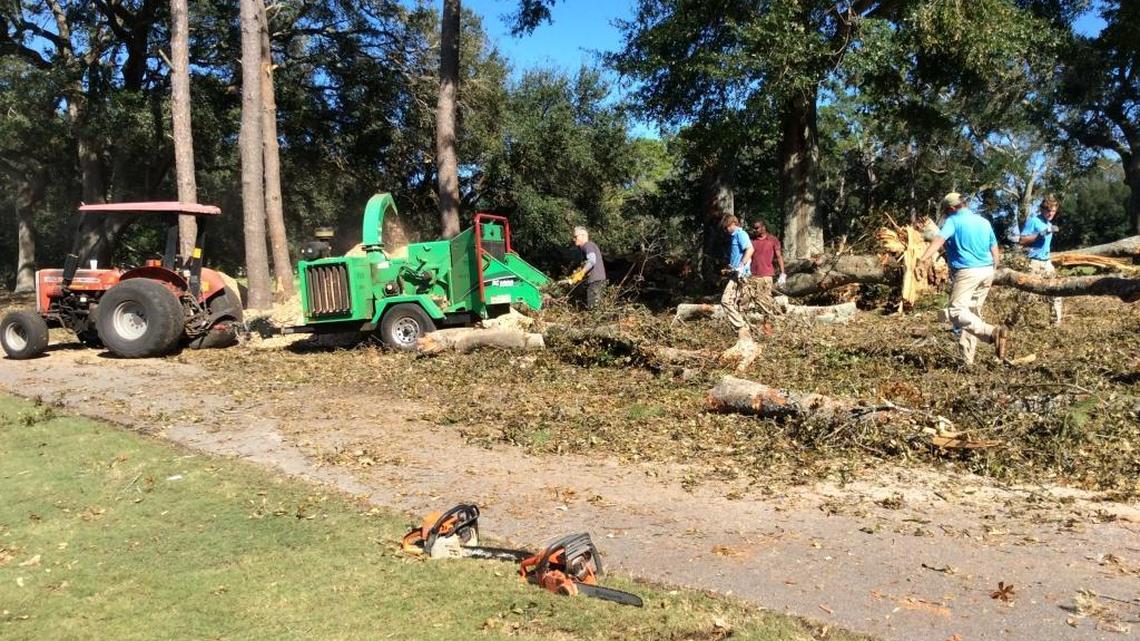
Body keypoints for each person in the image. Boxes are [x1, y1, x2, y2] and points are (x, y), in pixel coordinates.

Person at [918, 192, 1011, 365]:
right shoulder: (983, 221)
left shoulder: (953, 221)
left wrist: (922, 259)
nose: (945, 214)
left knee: (955, 311)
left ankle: (992, 332)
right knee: (971, 313)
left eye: (946, 210)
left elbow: (938, 240)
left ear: (952, 208)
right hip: (986, 271)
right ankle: (967, 360)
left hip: (967, 272)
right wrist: (993, 268)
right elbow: (994, 247)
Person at [1018, 194, 1063, 326]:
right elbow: (1022, 240)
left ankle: (1056, 322)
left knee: (1056, 290)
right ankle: (1020, 321)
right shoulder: (1033, 221)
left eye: (1053, 211)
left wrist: (1049, 230)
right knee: (1029, 292)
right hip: (1034, 261)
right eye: (1048, 210)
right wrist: (1040, 234)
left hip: (1046, 261)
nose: (1051, 213)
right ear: (1042, 209)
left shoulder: (1048, 223)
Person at [720, 215, 754, 340]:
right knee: (737, 303)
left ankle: (741, 327)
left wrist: (742, 265)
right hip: (735, 272)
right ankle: (743, 333)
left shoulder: (741, 234)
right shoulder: (734, 236)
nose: (727, 230)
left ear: (733, 224)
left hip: (740, 274)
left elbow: (750, 249)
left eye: (728, 227)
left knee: (726, 300)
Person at [560, 226, 607, 309]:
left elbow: (592, 261)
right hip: (595, 280)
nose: (574, 239)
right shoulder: (585, 248)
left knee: (594, 308)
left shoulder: (588, 245)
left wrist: (582, 273)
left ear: (583, 235)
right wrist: (572, 279)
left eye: (575, 237)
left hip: (595, 281)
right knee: (590, 306)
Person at [749, 220, 786, 295]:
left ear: (763, 228)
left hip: (767, 275)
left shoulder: (773, 240)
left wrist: (782, 273)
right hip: (753, 275)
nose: (754, 230)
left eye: (757, 228)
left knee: (766, 300)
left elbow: (779, 257)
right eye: (753, 228)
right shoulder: (751, 241)